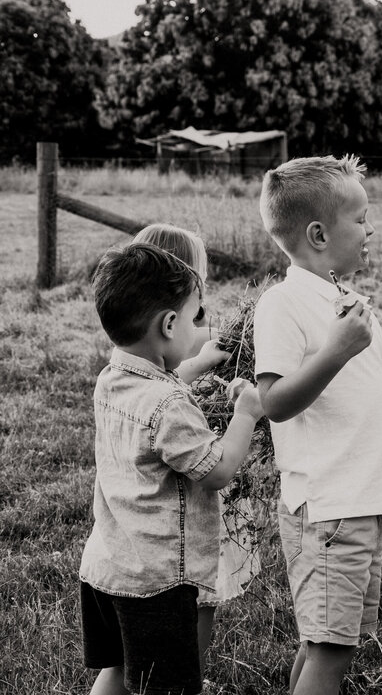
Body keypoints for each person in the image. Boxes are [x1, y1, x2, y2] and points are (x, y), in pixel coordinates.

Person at [254, 155, 382, 695]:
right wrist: (337, 351)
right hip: (326, 509)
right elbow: (272, 401)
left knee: (324, 643)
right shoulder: (283, 304)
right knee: (331, 650)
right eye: (362, 218)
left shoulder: (355, 306)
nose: (372, 228)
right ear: (319, 234)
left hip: (364, 505)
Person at [80, 243, 263, 695]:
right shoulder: (171, 406)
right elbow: (217, 470)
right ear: (168, 324)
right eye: (195, 317)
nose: (200, 326)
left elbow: (157, 393)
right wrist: (246, 413)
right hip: (157, 586)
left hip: (108, 568)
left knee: (122, 669)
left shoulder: (112, 379)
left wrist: (196, 363)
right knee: (168, 688)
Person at [131, 222, 260, 657]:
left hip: (172, 488)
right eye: (199, 280)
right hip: (188, 490)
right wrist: (207, 367)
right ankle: (189, 676)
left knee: (194, 605)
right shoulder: (171, 343)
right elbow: (164, 384)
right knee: (199, 600)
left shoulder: (146, 338)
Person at [131, 224, 228, 385]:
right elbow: (155, 382)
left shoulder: (131, 325)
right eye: (201, 269)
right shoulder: (202, 337)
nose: (205, 275)